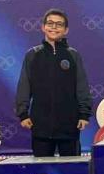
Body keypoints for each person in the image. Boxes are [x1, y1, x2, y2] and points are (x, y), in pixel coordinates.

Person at [16, 9, 92, 157]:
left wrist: (84, 114)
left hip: (70, 124)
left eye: (59, 24)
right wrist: (23, 114)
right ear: (43, 27)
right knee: (42, 167)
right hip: (40, 125)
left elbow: (81, 85)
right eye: (50, 23)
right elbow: (24, 85)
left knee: (71, 167)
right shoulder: (33, 55)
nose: (54, 27)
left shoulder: (73, 55)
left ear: (66, 30)